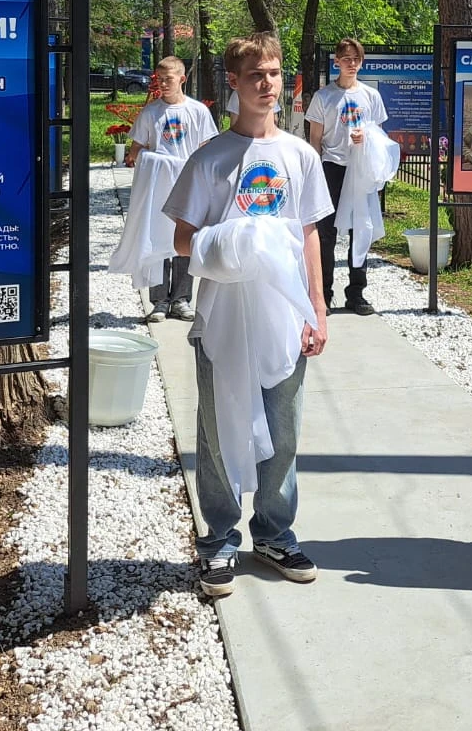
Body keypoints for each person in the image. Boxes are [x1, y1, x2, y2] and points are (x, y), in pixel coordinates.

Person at [163, 31, 333, 597]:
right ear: (232, 84)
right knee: (217, 427)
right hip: (224, 315)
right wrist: (235, 241)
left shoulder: (300, 156)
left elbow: (308, 235)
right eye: (255, 74)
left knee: (284, 428)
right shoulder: (210, 159)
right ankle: (218, 538)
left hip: (284, 315)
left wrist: (318, 307)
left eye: (275, 72)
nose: (267, 84)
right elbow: (183, 241)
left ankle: (275, 531)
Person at [126, 56, 218, 321]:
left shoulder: (197, 111)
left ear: (182, 78)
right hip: (158, 186)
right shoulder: (151, 112)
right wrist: (149, 160)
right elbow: (135, 151)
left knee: (183, 238)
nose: (163, 84)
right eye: (159, 79)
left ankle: (181, 298)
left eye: (168, 78)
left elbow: (206, 149)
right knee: (156, 237)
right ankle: (159, 300)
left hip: (187, 184)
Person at [304, 37, 388, 316]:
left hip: (360, 168)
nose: (352, 64)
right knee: (326, 233)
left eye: (357, 59)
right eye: (347, 59)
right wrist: (313, 173)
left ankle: (356, 292)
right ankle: (323, 294)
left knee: (360, 228)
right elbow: (315, 139)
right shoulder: (324, 96)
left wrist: (366, 137)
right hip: (332, 167)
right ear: (337, 61)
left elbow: (379, 136)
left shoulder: (370, 96)